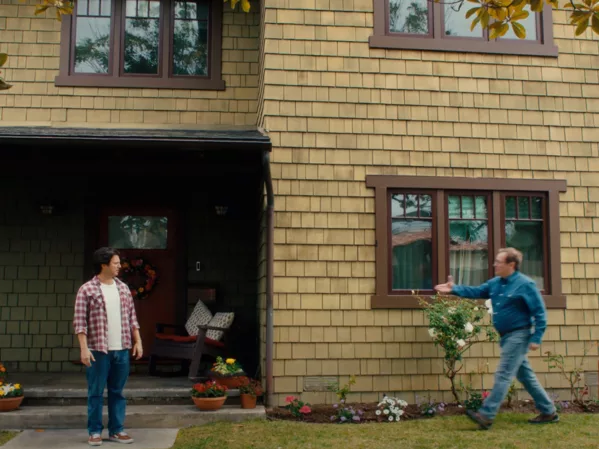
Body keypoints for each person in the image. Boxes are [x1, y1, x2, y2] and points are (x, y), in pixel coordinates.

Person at [434, 247, 558, 430]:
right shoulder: (495, 283)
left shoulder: (525, 284)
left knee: (503, 374)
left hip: (519, 335)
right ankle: (549, 411)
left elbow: (540, 313)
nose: (494, 265)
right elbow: (476, 291)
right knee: (526, 376)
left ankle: (486, 415)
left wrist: (537, 337)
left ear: (511, 264)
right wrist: (454, 289)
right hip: (507, 337)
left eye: (499, 262)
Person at [73, 247, 143, 446]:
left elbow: (132, 318)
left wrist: (138, 341)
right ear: (104, 265)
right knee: (95, 392)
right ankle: (95, 432)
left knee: (117, 392)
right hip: (98, 350)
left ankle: (117, 430)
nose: (120, 266)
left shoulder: (123, 288)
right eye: (115, 263)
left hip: (121, 349)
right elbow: (80, 322)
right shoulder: (87, 289)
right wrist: (84, 348)